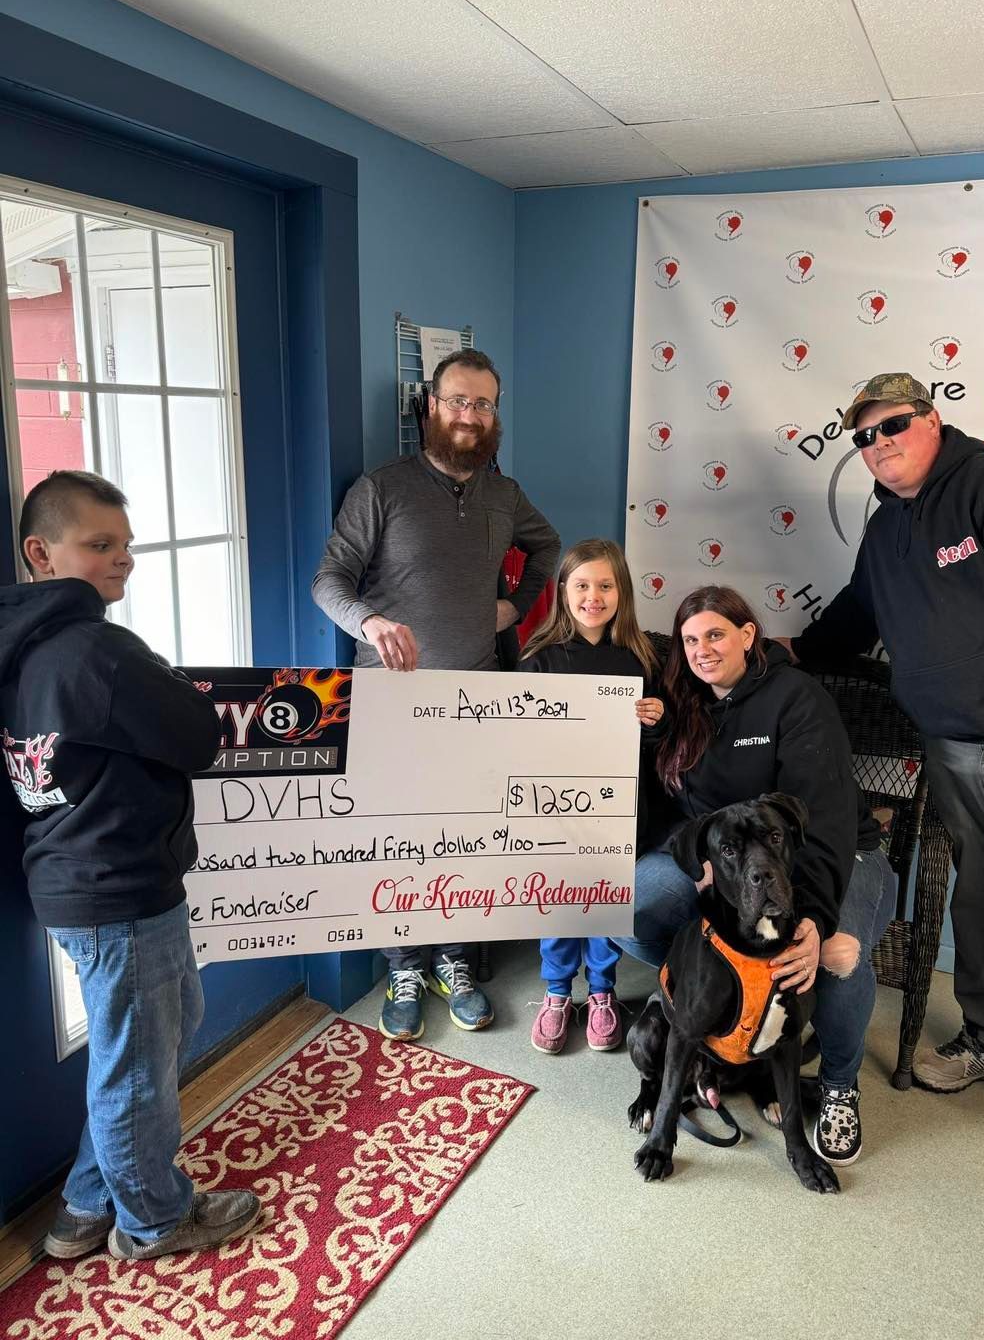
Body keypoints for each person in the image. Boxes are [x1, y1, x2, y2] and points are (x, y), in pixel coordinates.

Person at [783, 372, 984, 1190]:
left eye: (894, 426)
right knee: (982, 897)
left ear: (933, 419)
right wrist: (791, 652)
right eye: (865, 438)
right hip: (948, 748)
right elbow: (857, 611)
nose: (880, 445)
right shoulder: (886, 527)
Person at [0, 470, 260, 1261]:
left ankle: (84, 1204)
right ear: (41, 552)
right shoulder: (98, 650)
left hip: (77, 878)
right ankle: (153, 1219)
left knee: (150, 1045)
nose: (123, 561)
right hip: (118, 888)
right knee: (139, 1067)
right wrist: (173, 685)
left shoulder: (19, 648)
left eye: (127, 546)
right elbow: (195, 734)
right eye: (100, 545)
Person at [312, 347, 560, 1041]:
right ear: (431, 406)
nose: (471, 416)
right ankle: (404, 967)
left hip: (477, 697)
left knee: (460, 836)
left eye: (484, 404)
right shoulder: (381, 489)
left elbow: (549, 546)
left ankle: (454, 960)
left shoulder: (504, 495)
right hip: (392, 706)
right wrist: (372, 620)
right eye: (458, 401)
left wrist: (516, 605)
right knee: (398, 840)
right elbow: (327, 581)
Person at [618, 585, 890, 1167]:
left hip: (832, 855)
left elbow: (829, 820)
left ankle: (840, 1084)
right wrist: (696, 862)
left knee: (833, 953)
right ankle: (722, 1023)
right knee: (629, 901)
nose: (702, 649)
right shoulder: (682, 702)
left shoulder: (795, 697)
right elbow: (668, 805)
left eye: (716, 634)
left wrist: (814, 914)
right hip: (730, 866)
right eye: (691, 640)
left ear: (748, 635)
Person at [517, 539, 664, 1056]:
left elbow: (656, 744)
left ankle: (602, 993)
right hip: (556, 811)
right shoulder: (539, 658)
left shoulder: (641, 657)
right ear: (563, 591)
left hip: (619, 807)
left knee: (604, 900)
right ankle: (557, 993)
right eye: (582, 585)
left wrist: (653, 722)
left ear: (621, 591)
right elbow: (521, 739)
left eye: (605, 585)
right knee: (558, 900)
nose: (593, 596)